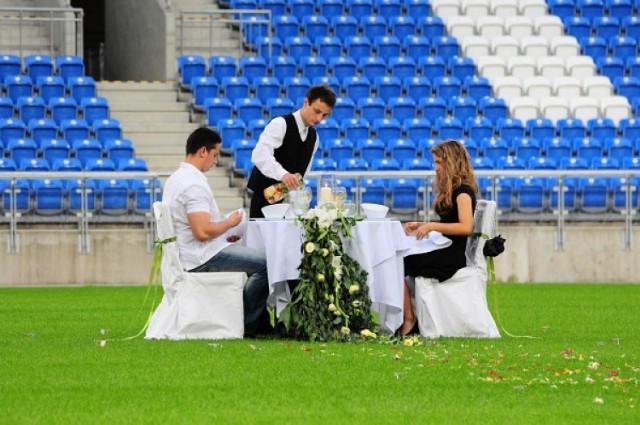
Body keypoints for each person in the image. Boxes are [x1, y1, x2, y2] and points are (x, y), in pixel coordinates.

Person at [163, 127, 271, 337]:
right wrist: (229, 223)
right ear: (203, 151)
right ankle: (248, 323)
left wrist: (223, 233)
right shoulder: (192, 184)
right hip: (202, 256)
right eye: (214, 155)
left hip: (194, 251)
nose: (215, 161)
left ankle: (250, 319)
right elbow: (202, 232)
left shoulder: (176, 178)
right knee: (267, 265)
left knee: (255, 263)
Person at [399, 139, 479, 336]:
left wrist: (432, 225)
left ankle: (409, 320)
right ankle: (408, 317)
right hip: (443, 248)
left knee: (398, 262)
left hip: (451, 256)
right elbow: (449, 221)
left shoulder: (463, 192)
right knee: (399, 257)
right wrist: (422, 225)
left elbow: (466, 227)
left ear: (451, 162)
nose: (435, 168)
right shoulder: (453, 189)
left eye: (438, 162)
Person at [247, 84, 337, 218]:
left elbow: (303, 174)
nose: (319, 119)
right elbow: (259, 154)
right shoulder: (280, 124)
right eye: (317, 111)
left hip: (291, 209)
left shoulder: (314, 137)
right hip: (265, 204)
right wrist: (283, 174)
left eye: (324, 115)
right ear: (306, 102)